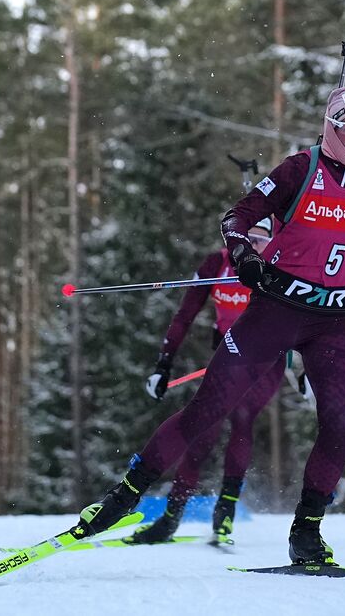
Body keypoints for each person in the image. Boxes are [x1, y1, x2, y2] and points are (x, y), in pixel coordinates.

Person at [67, 84, 345, 566]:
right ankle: (123, 498)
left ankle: (306, 532)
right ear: (332, 128)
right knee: (207, 412)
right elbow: (237, 218)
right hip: (274, 314)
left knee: (338, 424)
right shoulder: (299, 171)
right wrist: (243, 255)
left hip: (333, 322)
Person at [127, 217, 282, 545]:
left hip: (268, 359)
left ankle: (224, 513)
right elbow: (185, 314)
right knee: (203, 430)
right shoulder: (217, 263)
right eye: (248, 239)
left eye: (262, 241)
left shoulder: (279, 263)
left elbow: (302, 320)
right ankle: (170, 519)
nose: (254, 247)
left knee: (242, 419)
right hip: (229, 353)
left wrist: (304, 372)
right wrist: (163, 364)